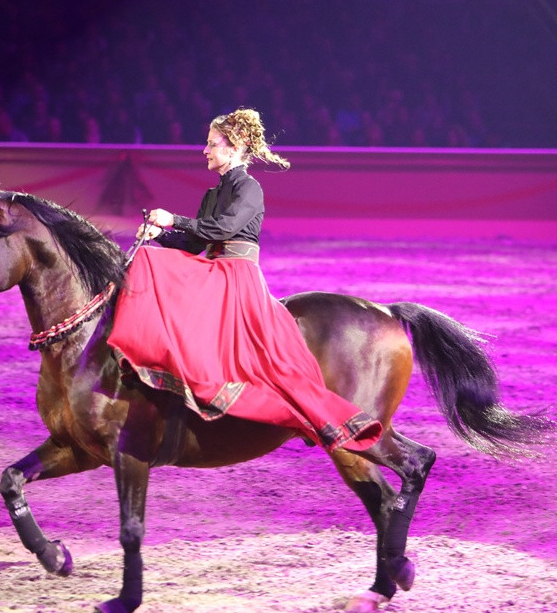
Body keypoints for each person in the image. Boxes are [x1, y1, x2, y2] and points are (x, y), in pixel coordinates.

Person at [107, 108, 384, 455]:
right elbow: (195, 244)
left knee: (155, 266)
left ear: (234, 147)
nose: (204, 151)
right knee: (150, 256)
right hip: (215, 267)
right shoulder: (212, 194)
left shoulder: (250, 188)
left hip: (238, 274)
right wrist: (157, 234)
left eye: (211, 144)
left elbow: (223, 229)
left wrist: (172, 219)